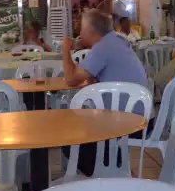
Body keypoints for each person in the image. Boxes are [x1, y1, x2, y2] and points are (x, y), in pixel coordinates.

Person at [61, 9, 148, 176]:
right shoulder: (116, 40)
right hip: (139, 114)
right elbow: (95, 75)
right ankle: (120, 171)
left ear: (91, 31)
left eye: (82, 29)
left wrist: (65, 50)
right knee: (84, 126)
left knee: (70, 141)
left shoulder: (103, 47)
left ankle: (112, 176)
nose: (79, 33)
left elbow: (71, 79)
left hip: (125, 120)